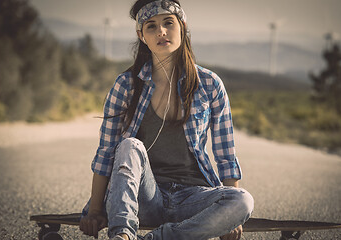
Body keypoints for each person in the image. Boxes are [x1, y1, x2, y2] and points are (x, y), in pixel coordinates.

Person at [79, 0, 254, 239]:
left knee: (242, 200)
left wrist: (229, 219)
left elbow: (226, 155)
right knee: (129, 145)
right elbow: (106, 152)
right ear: (142, 35)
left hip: (192, 198)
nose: (161, 31)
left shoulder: (210, 84)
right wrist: (96, 210)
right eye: (151, 26)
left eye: (168, 23)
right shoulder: (126, 85)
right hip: (143, 199)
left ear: (182, 26)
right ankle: (123, 234)